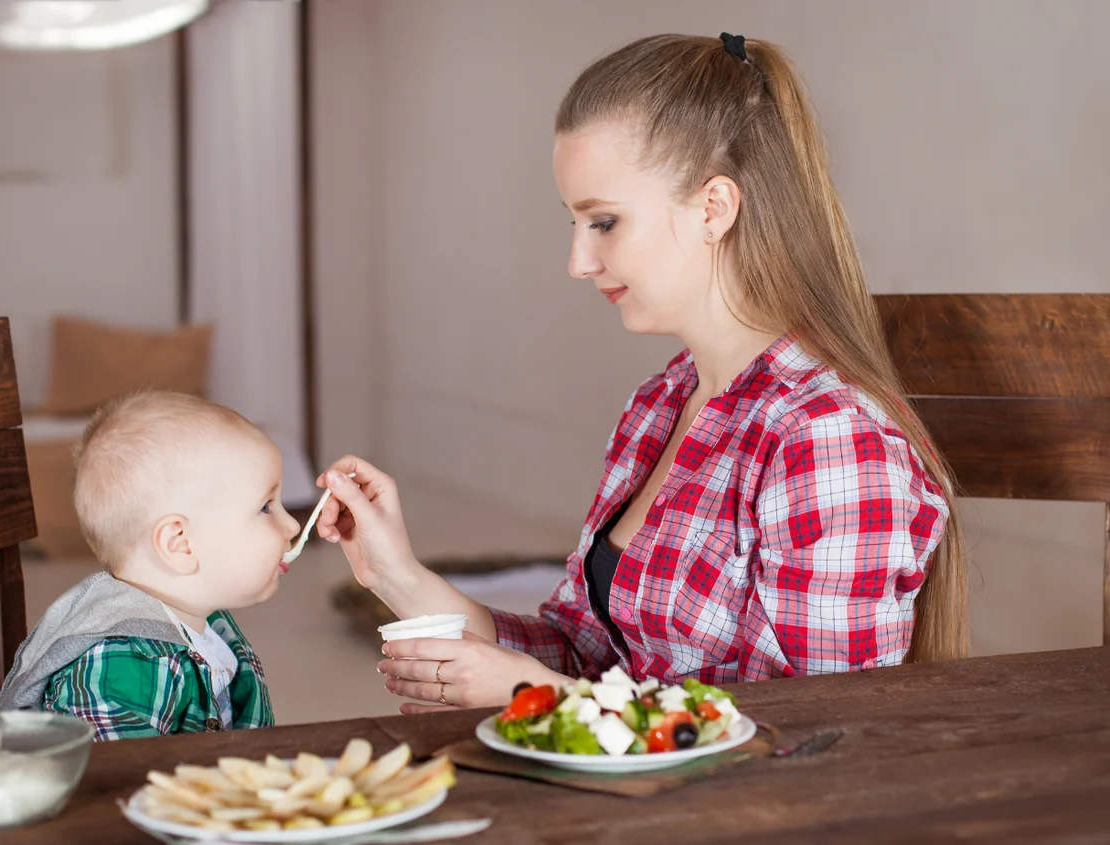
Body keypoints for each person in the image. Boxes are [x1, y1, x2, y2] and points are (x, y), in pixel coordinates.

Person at [315, 33, 967, 714]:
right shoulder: (661, 404)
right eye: (574, 222)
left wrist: (531, 694)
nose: (578, 261)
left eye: (603, 221)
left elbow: (820, 733)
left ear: (714, 208)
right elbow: (583, 654)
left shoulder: (827, 438)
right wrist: (396, 573)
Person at [0, 391, 300, 738]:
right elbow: (119, 781)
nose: (292, 526)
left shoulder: (208, 622)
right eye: (265, 507)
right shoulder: (122, 665)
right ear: (179, 543)